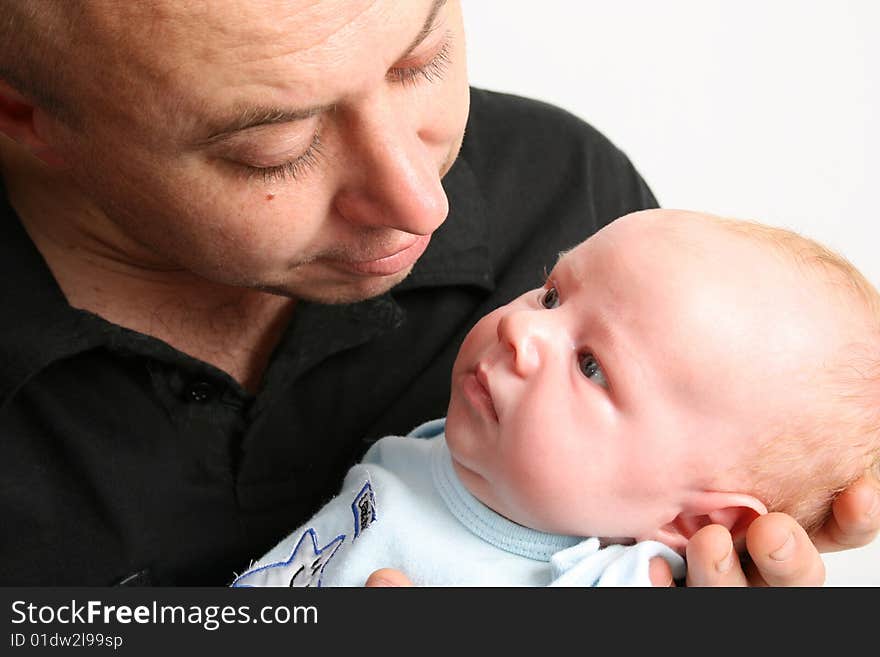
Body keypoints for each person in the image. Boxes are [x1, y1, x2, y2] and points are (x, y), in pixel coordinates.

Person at [0, 0, 876, 587]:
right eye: (273, 146)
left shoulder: (570, 196)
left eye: (420, 59)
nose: (424, 203)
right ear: (23, 113)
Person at [231, 209, 880, 586]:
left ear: (690, 525)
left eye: (592, 365)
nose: (521, 327)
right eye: (551, 293)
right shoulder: (441, 450)